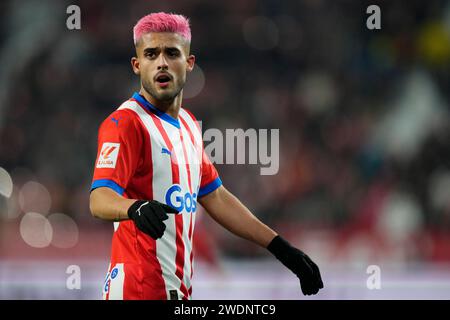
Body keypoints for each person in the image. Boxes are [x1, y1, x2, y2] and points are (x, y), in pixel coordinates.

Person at [89, 12, 323, 300]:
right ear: (137, 65)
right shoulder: (126, 123)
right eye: (151, 54)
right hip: (137, 291)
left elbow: (216, 197)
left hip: (176, 291)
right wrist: (133, 208)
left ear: (189, 64)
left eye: (171, 53)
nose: (161, 62)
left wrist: (280, 248)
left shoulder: (187, 124)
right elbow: (99, 198)